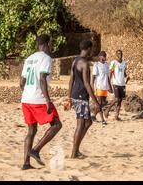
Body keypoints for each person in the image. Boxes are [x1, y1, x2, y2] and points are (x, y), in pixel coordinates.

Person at [20, 34, 62, 170]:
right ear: (48, 43)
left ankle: (26, 164)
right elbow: (42, 78)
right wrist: (48, 100)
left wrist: (28, 93)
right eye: (52, 42)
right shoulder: (46, 58)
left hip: (26, 99)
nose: (52, 45)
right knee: (56, 124)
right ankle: (35, 150)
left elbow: (22, 83)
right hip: (38, 99)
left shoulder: (29, 58)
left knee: (31, 130)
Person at [65, 40, 102, 159]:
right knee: (81, 124)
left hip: (76, 95)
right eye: (91, 49)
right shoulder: (84, 63)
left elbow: (71, 80)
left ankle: (76, 149)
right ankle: (74, 152)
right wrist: (96, 101)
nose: (92, 51)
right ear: (89, 48)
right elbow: (87, 83)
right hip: (81, 96)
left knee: (88, 122)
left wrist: (69, 97)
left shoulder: (75, 61)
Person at [105, 50, 129, 121]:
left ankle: (116, 116)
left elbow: (124, 73)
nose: (120, 55)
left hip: (122, 84)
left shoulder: (124, 63)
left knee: (120, 100)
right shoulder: (113, 63)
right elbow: (110, 73)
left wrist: (127, 77)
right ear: (116, 55)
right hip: (115, 83)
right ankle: (107, 110)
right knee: (116, 99)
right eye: (118, 54)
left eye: (121, 53)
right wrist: (109, 83)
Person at [91, 51, 111, 125]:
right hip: (99, 86)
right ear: (99, 57)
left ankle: (93, 115)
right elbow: (93, 77)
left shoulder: (106, 65)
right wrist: (92, 86)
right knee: (99, 103)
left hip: (105, 87)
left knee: (103, 103)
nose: (104, 57)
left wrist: (110, 87)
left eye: (105, 56)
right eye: (103, 56)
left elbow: (108, 77)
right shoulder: (96, 65)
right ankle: (103, 120)